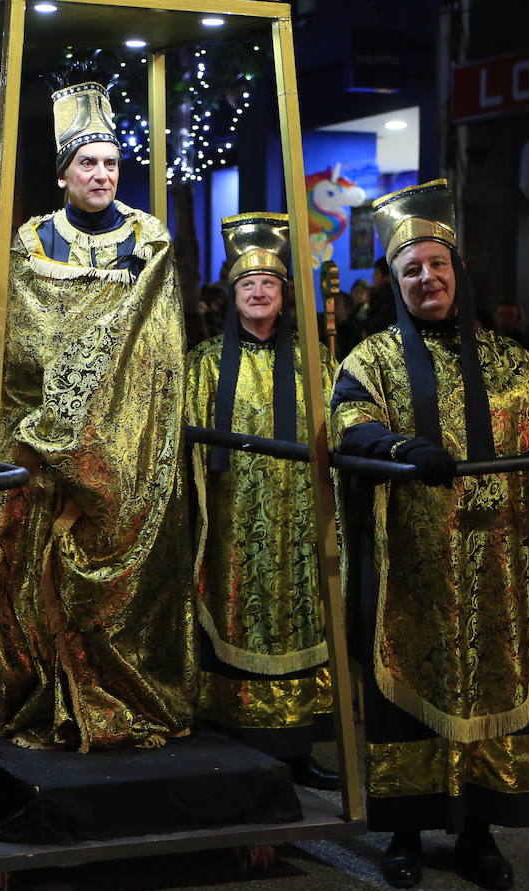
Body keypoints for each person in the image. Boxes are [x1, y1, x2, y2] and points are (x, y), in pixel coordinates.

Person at [330, 179, 529, 891]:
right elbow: (350, 423)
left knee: (496, 690)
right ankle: (407, 834)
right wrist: (399, 449)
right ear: (396, 281)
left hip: (502, 561)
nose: (426, 278)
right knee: (407, 695)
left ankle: (479, 834)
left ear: (457, 270)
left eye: (436, 265)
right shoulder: (370, 360)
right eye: (411, 269)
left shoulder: (511, 358)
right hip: (417, 562)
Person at [0, 64, 196, 751]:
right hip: (47, 443)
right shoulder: (32, 242)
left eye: (111, 162)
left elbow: (156, 351)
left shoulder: (149, 239)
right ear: (63, 174)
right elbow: (29, 340)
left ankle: (129, 699)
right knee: (36, 581)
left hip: (128, 446)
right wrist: (104, 296)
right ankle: (48, 699)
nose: (103, 174)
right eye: (88, 163)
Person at [185, 212, 338, 790]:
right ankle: (230, 739)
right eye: (247, 284)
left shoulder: (312, 363)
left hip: (299, 522)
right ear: (233, 294)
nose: (257, 292)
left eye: (268, 284)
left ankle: (297, 749)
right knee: (231, 616)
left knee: (300, 619)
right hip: (231, 523)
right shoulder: (204, 364)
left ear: (283, 295)